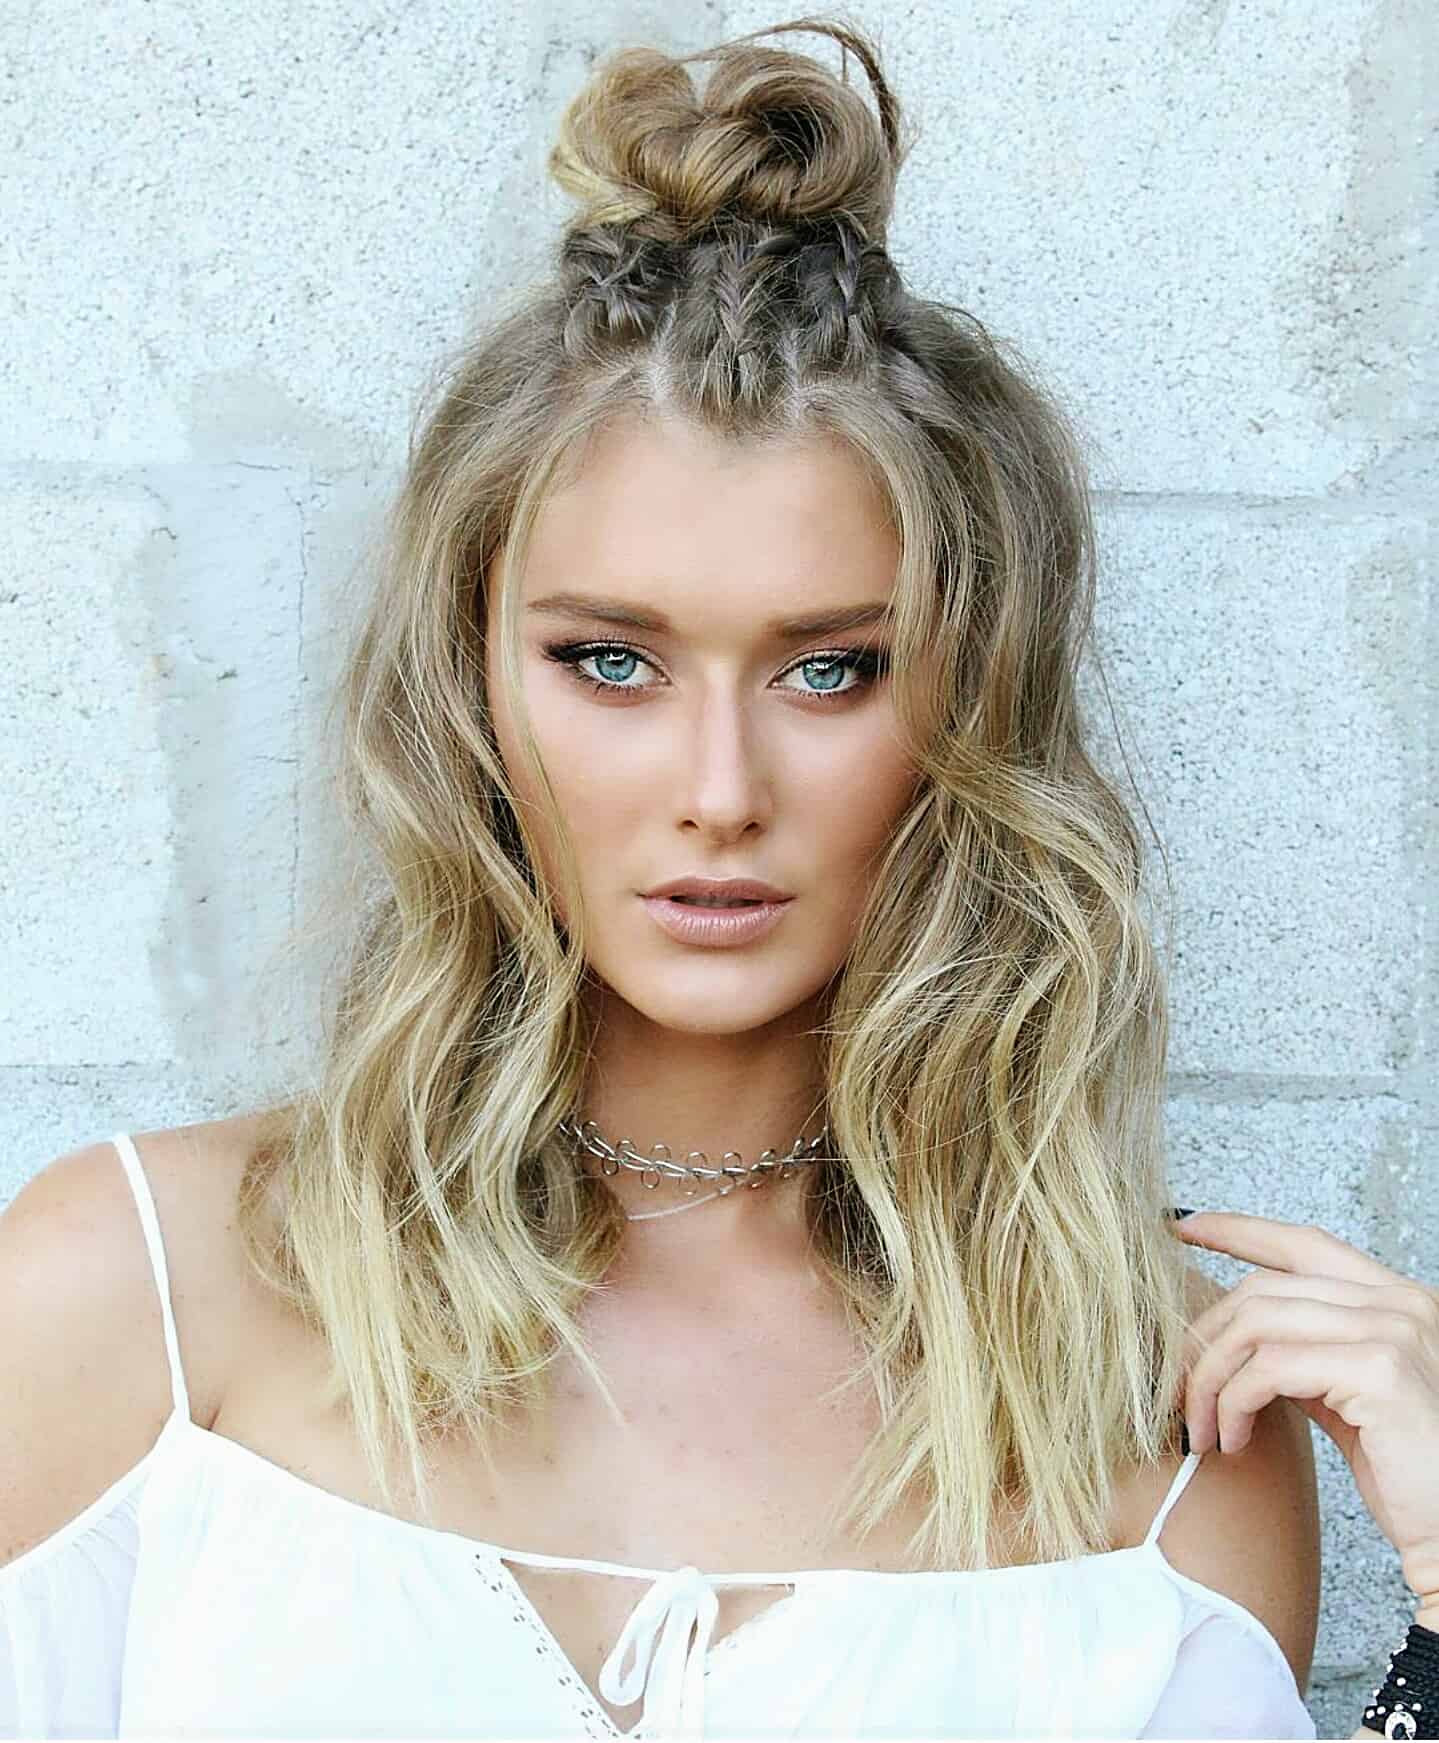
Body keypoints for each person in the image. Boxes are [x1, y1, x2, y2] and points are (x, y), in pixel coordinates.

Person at [2, 14, 1433, 1740]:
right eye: (610, 662)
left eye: (832, 671)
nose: (719, 793)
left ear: (973, 709)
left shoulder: (1163, 1427)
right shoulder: (138, 1291)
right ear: (468, 689)